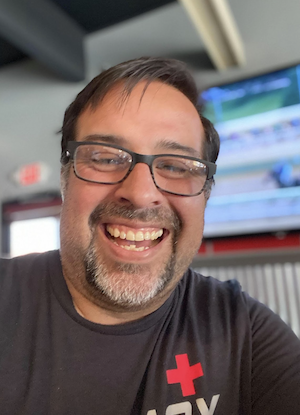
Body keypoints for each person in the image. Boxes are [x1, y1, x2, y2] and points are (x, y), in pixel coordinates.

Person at [1, 57, 300, 415]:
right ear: (66, 179)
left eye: (175, 166)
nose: (141, 194)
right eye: (106, 158)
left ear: (205, 195)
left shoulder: (246, 335)